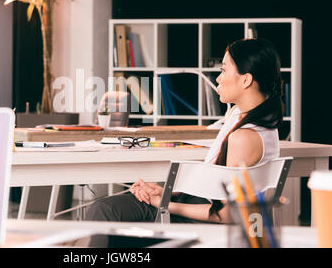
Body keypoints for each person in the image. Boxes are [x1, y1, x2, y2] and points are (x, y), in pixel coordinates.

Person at [86, 38, 283, 224]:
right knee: (109, 209)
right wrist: (166, 192)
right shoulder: (245, 118)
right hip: (195, 200)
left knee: (104, 210)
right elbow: (213, 187)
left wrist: (164, 203)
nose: (218, 79)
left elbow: (226, 214)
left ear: (246, 80)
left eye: (223, 70)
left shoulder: (245, 137)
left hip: (202, 219)